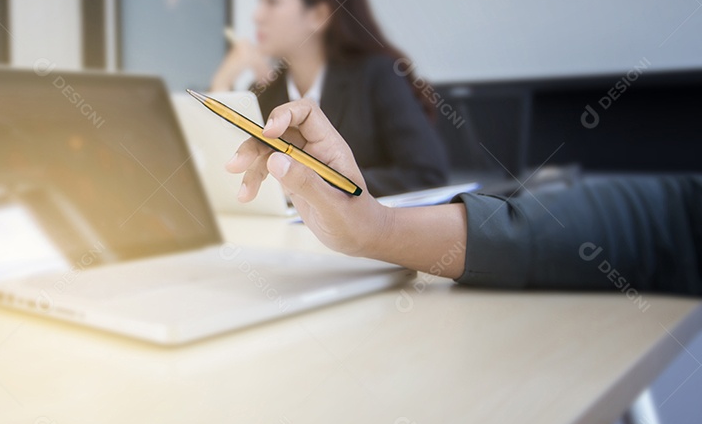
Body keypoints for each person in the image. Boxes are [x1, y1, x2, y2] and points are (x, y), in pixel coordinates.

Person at [226, 99, 702, 296]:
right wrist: (377, 228)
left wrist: (379, 225)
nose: (259, 17)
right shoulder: (274, 83)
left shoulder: (373, 73)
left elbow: (668, 221)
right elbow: (669, 218)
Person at [212, 0, 449, 197]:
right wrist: (221, 82)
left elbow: (426, 175)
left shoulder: (377, 75)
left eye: (272, 0)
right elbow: (225, 173)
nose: (257, 15)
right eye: (260, 0)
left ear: (319, 15)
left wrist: (316, 185)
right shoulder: (265, 92)